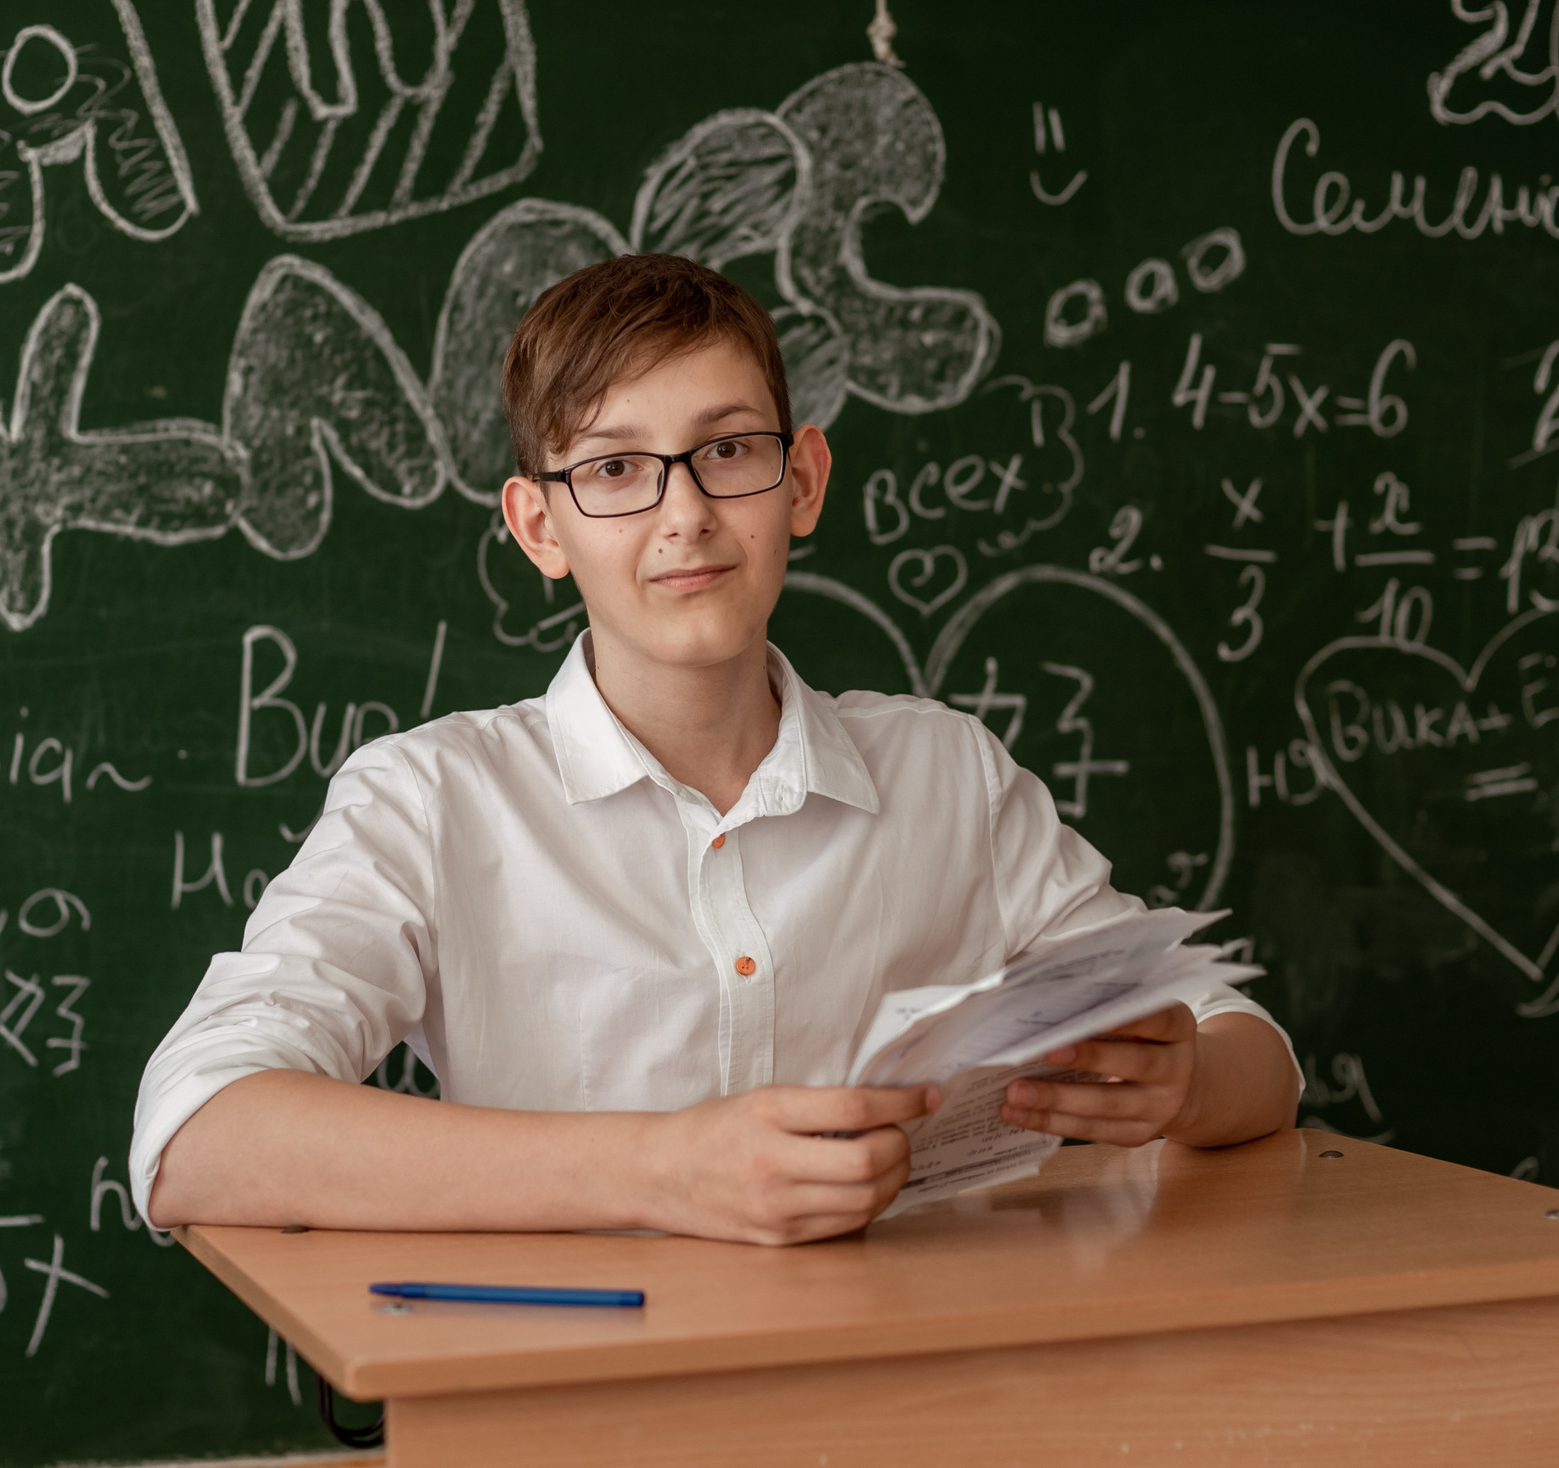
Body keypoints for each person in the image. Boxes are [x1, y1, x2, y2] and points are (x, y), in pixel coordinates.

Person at [132, 253, 1299, 1245]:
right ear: (540, 527)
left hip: (921, 1382)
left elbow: (1253, 1051)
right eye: (614, 470)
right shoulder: (435, 799)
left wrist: (1182, 1082)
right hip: (580, 1404)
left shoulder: (947, 776)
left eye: (727, 451)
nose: (684, 512)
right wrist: (662, 1170)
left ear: (801, 481)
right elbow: (195, 1135)